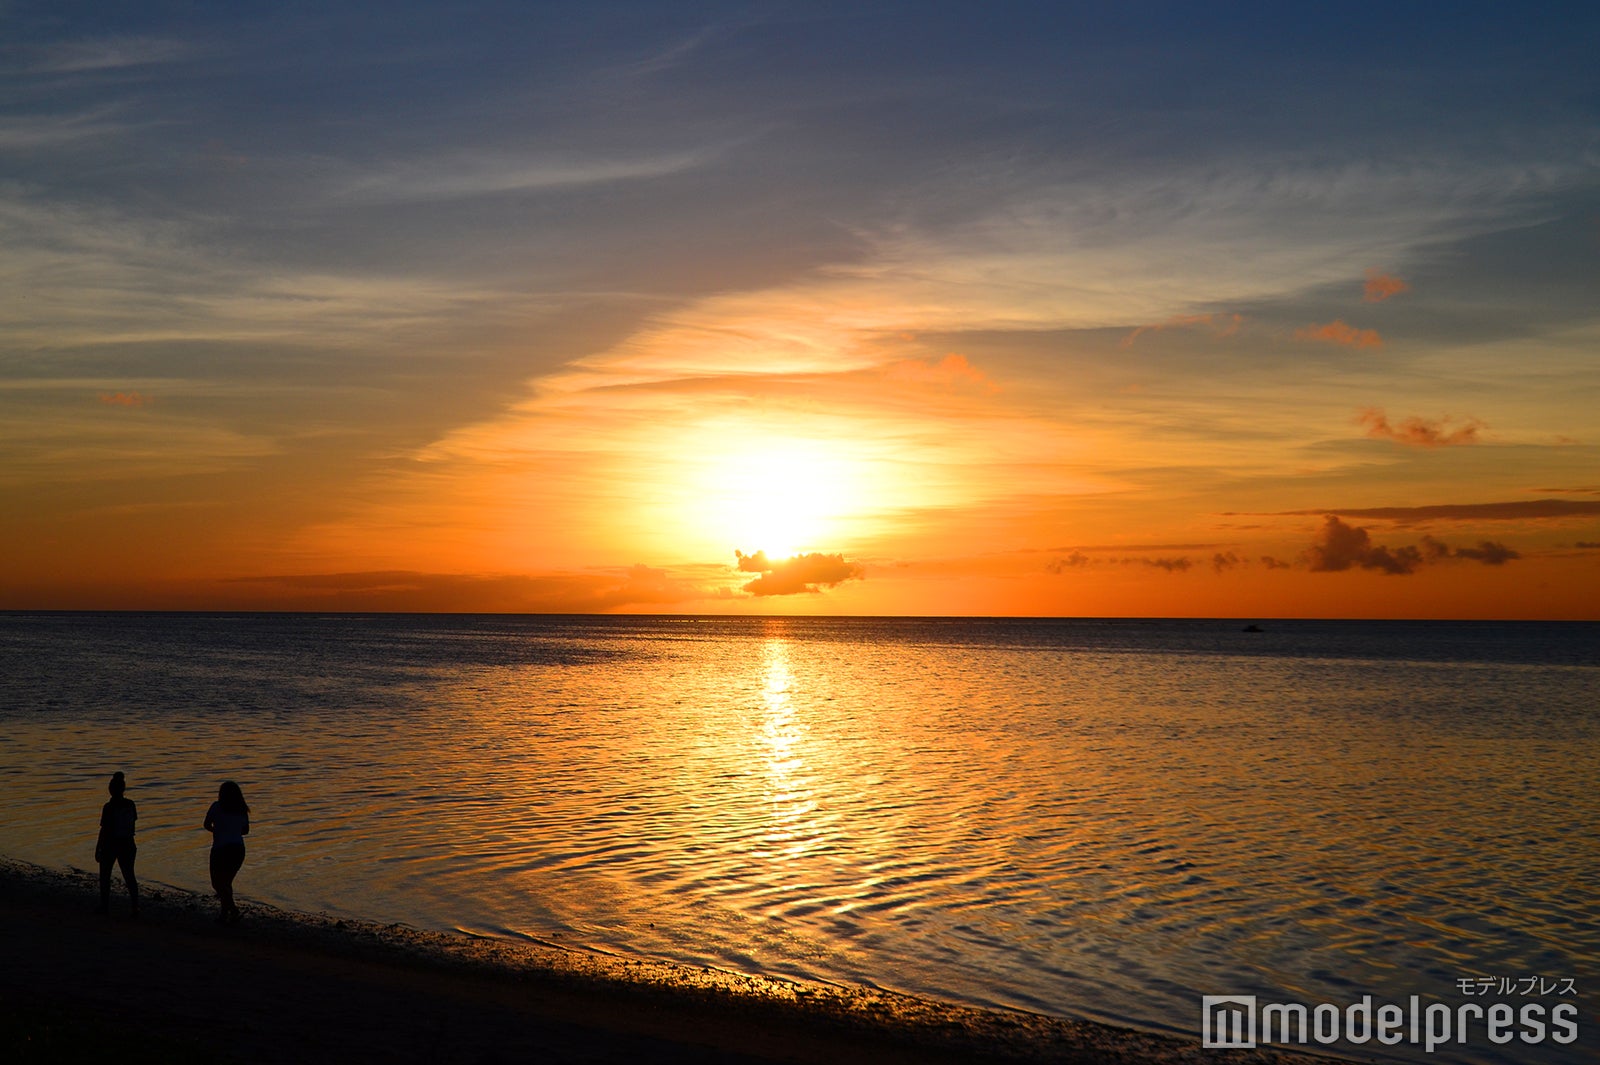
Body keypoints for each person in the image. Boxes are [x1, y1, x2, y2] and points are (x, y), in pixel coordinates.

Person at [204, 780, 250, 924]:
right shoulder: (242, 809)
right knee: (226, 883)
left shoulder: (216, 807)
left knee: (218, 884)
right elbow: (246, 830)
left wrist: (217, 830)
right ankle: (225, 914)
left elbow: (206, 824)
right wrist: (233, 830)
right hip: (237, 849)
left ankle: (233, 911)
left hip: (221, 849)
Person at [95, 771, 139, 916]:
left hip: (111, 844)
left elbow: (105, 830)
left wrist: (98, 848)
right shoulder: (130, 804)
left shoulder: (109, 807)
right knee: (129, 876)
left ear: (111, 789)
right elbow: (134, 821)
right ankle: (135, 907)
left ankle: (104, 907)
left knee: (105, 876)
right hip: (128, 843)